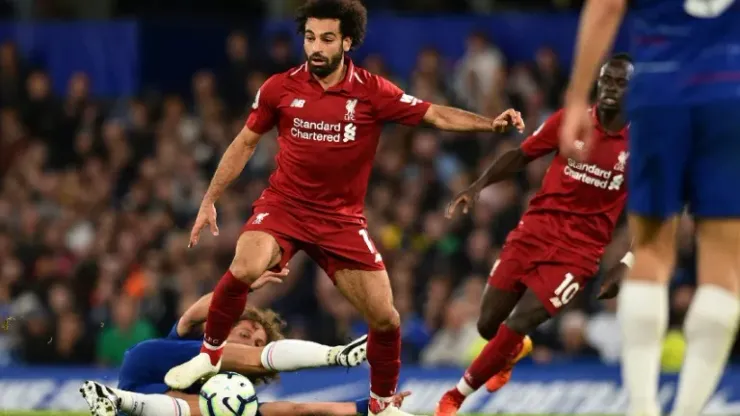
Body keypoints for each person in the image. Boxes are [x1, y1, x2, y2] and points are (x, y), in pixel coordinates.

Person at [163, 1, 525, 415]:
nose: (316, 47)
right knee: (245, 266)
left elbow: (434, 114)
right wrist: (210, 198)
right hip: (283, 208)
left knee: (386, 319)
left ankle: (381, 405)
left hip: (340, 221)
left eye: (327, 39)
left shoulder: (372, 91)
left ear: (347, 42)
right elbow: (244, 143)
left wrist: (489, 123)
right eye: (310, 38)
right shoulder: (279, 88)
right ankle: (209, 355)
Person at [561, 1, 740, 415]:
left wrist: (576, 98)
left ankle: (642, 407)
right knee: (724, 264)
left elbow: (607, 6)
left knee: (651, 252)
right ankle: (688, 411)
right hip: (730, 92)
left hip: (661, 90)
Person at [433, 54, 634, 416]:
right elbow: (520, 154)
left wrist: (626, 263)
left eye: (621, 83)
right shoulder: (571, 121)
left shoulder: (641, 144)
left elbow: (657, 211)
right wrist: (477, 186)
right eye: (606, 80)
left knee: (519, 321)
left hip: (578, 254)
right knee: (487, 325)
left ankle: (455, 397)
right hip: (535, 231)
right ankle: (512, 351)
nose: (610, 89)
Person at [80, 268, 374, 416]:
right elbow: (193, 314)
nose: (250, 343)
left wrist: (368, 407)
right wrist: (240, 287)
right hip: (152, 364)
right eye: (245, 334)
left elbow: (298, 410)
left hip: (150, 405)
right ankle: (338, 355)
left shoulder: (235, 399)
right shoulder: (191, 339)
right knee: (221, 396)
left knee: (226, 409)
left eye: (257, 343)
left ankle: (115, 399)